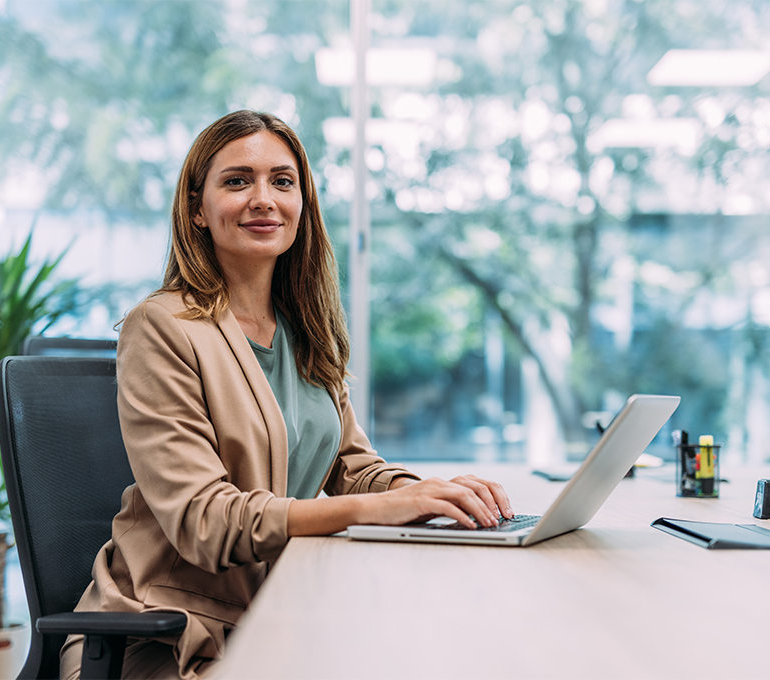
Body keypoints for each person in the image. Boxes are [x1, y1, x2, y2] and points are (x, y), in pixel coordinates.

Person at [60, 110, 514, 680]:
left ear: (303, 204)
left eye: (282, 181)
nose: (263, 199)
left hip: (280, 614)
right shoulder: (161, 327)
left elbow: (353, 469)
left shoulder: (304, 328)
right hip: (166, 635)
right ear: (197, 209)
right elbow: (206, 521)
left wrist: (432, 494)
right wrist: (379, 509)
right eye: (236, 181)